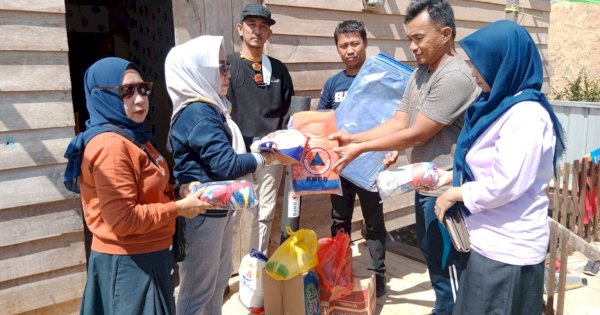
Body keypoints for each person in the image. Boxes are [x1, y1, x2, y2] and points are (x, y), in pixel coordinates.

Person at [329, 1, 478, 313]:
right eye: (410, 39)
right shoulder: (420, 74)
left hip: (449, 188)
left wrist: (360, 149)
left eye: (419, 38)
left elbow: (417, 133)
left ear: (446, 34)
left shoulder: (454, 77)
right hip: (425, 185)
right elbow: (399, 122)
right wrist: (353, 137)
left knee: (448, 264)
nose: (412, 46)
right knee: (432, 254)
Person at [434, 20, 565, 315]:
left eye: (480, 65)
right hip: (487, 240)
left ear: (504, 63)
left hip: (505, 250)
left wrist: (455, 193)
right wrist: (446, 177)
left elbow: (505, 184)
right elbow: (491, 167)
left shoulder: (526, 116)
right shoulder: (501, 106)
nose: (474, 73)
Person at [64, 57, 209, 315]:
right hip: (130, 265)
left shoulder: (132, 137)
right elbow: (124, 220)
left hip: (145, 259)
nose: (139, 99)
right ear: (101, 95)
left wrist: (178, 191)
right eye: (126, 91)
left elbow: (145, 191)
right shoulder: (111, 146)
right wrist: (178, 208)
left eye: (143, 89)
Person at [165, 35, 290, 315]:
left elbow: (222, 151)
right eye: (220, 67)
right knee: (198, 292)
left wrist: (261, 143)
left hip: (216, 211)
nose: (227, 74)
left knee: (216, 284)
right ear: (199, 70)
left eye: (227, 66)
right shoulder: (198, 112)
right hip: (201, 215)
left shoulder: (213, 107)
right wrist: (266, 157)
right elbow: (225, 164)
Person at [318, 20, 388, 298]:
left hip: (371, 164)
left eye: (354, 43)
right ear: (337, 48)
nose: (349, 50)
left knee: (374, 221)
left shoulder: (379, 78)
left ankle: (378, 273)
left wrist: (391, 150)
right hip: (341, 166)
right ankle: (339, 269)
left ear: (365, 44)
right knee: (339, 219)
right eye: (343, 45)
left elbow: (395, 118)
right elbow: (322, 120)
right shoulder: (333, 84)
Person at [227, 3, 294, 254]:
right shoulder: (228, 66)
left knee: (264, 213)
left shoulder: (278, 69)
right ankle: (223, 276)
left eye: (263, 26)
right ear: (240, 29)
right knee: (230, 214)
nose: (257, 31)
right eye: (251, 25)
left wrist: (281, 143)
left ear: (269, 33)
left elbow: (289, 110)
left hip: (270, 154)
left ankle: (255, 270)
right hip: (235, 154)